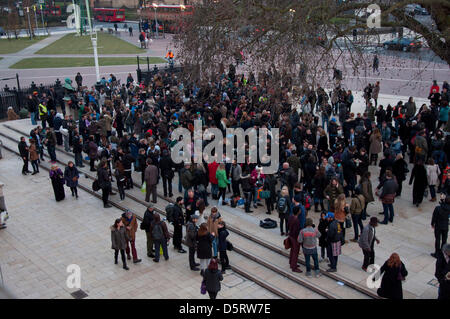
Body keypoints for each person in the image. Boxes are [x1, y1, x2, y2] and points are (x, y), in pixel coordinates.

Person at [288, 206, 302, 273]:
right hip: (295, 238)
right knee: (295, 252)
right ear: (298, 212)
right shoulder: (297, 220)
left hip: (290, 236)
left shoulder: (290, 217)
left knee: (292, 250)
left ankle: (291, 263)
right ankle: (294, 266)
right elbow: (296, 231)